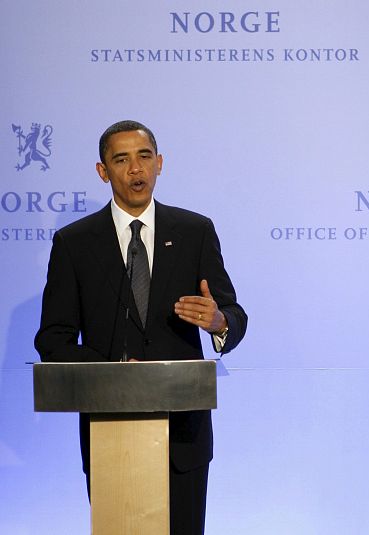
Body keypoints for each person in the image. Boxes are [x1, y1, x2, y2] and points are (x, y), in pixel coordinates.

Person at [35, 120, 247, 535]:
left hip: (184, 433)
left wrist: (219, 322)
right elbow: (52, 338)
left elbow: (233, 314)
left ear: (160, 163)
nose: (136, 169)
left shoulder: (195, 231)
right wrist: (113, 367)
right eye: (122, 159)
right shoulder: (75, 243)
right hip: (111, 431)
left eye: (144, 157)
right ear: (103, 171)